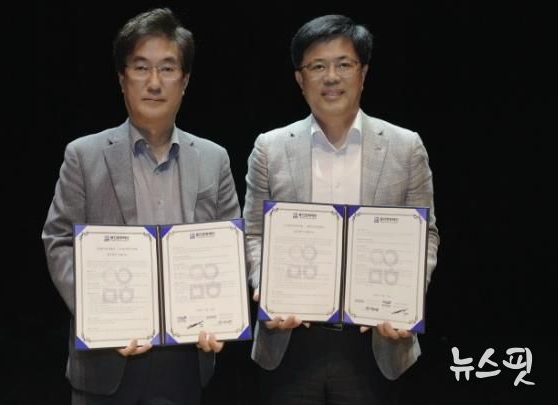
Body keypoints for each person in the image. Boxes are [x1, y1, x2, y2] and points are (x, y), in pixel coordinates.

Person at [42, 8, 240, 405]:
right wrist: (98, 317)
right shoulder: (84, 155)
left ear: (184, 81)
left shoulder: (214, 159)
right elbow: (58, 241)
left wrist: (224, 316)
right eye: (141, 68)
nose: (154, 82)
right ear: (122, 80)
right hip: (104, 362)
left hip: (185, 361)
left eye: (167, 69)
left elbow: (230, 249)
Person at [243, 14, 440, 404]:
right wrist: (265, 287)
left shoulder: (406, 147)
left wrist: (406, 299)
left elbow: (426, 235)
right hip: (290, 340)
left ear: (363, 74)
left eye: (343, 65)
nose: (331, 77)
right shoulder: (269, 148)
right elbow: (254, 234)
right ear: (300, 79)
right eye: (317, 66)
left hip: (376, 341)